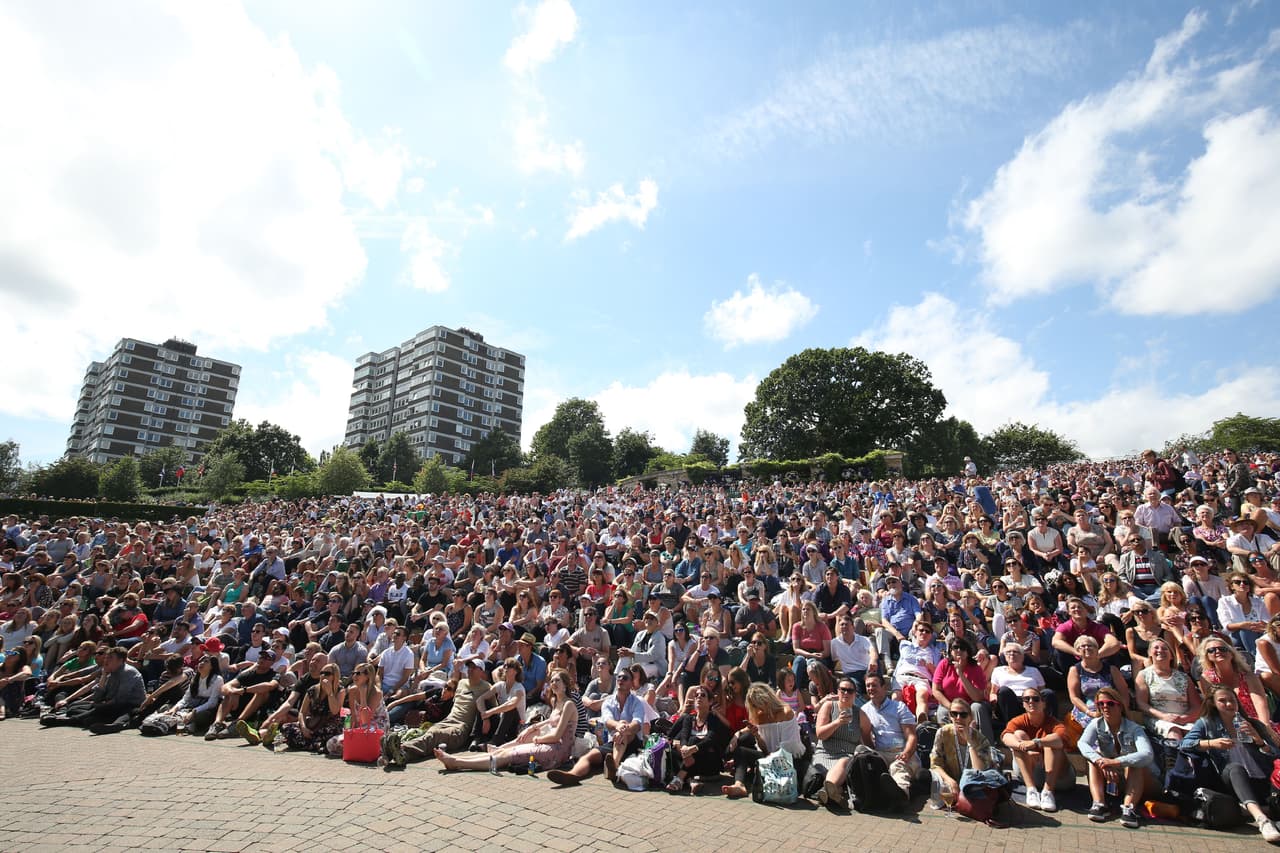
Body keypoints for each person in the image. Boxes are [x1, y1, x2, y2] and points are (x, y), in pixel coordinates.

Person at [1180, 685, 1280, 843]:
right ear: (1213, 703)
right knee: (1235, 768)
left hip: (1261, 780)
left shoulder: (1252, 723)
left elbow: (1275, 756)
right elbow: (1184, 744)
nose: (1228, 704)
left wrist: (1260, 741)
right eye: (1222, 701)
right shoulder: (1206, 723)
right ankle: (1262, 819)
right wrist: (1211, 743)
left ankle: (1249, 809)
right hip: (1232, 781)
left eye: (1232, 700)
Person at [435, 667, 578, 775]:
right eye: (552, 680)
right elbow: (551, 721)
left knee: (507, 754)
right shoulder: (555, 701)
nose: (553, 683)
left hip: (557, 751)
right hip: (550, 745)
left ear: (565, 684)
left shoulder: (568, 704)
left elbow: (557, 736)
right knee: (504, 751)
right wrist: (532, 728)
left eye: (557, 680)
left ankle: (457, 763)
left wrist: (536, 739)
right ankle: (456, 762)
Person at [546, 667, 649, 786]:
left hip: (633, 743)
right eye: (618, 677)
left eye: (625, 678)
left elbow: (637, 724)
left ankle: (613, 768)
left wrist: (624, 728)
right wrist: (618, 725)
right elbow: (607, 720)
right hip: (613, 742)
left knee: (624, 731)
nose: (621, 680)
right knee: (589, 756)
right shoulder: (608, 701)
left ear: (631, 683)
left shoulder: (637, 702)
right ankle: (572, 775)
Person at [383, 659, 490, 767]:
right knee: (430, 733)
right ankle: (400, 753)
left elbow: (494, 707)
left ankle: (401, 749)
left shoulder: (486, 687)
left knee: (435, 735)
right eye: (469, 667)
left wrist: (486, 719)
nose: (470, 670)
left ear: (482, 671)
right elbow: (451, 684)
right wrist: (395, 702)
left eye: (474, 667)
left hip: (461, 727)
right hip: (447, 721)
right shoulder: (461, 683)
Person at [1078, 686, 1159, 828]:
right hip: (1118, 778)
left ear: (1120, 706)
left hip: (1146, 781)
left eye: (1110, 703)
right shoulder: (1096, 724)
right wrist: (1100, 761)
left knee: (1135, 763)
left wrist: (1116, 762)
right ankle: (1099, 804)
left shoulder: (1135, 728)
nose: (1105, 707)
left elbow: (1146, 754)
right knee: (1093, 759)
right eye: (1100, 704)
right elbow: (1082, 743)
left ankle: (1129, 809)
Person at [930, 696, 1009, 827]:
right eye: (954, 714)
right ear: (949, 716)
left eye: (963, 714)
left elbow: (981, 770)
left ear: (970, 717)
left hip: (972, 784)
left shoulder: (980, 739)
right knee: (930, 776)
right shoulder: (943, 733)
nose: (958, 718)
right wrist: (950, 780)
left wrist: (970, 742)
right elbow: (935, 763)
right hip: (952, 782)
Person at [721, 682, 805, 799]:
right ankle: (739, 785)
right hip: (768, 756)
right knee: (740, 751)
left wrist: (769, 756)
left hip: (788, 759)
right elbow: (764, 748)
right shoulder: (759, 716)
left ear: (768, 699)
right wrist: (757, 736)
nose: (759, 709)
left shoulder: (786, 712)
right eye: (755, 706)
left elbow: (790, 746)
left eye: (760, 704)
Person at [38, 646, 145, 734]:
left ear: (121, 661)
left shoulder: (128, 673)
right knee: (74, 708)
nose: (106, 660)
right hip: (111, 704)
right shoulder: (108, 671)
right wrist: (103, 676)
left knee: (104, 711)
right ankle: (90, 720)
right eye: (106, 657)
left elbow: (121, 699)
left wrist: (101, 705)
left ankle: (114, 726)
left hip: (129, 705)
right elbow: (97, 696)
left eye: (110, 658)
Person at [859, 672, 919, 811]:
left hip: (902, 752)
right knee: (861, 753)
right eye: (868, 686)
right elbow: (866, 738)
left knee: (896, 767)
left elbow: (911, 736)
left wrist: (907, 753)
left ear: (884, 687)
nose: (870, 688)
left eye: (874, 685)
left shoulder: (899, 707)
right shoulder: (864, 710)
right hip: (881, 753)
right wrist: (873, 754)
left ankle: (902, 796)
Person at [1002, 687, 1069, 811]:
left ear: (1043, 704)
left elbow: (1062, 739)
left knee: (1051, 741)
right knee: (1018, 735)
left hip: (1058, 776)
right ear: (1023, 704)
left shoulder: (1054, 723)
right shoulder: (1018, 720)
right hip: (1031, 769)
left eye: (1035, 699)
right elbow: (1005, 737)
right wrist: (1024, 747)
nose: (1031, 702)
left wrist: (1036, 743)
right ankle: (1031, 790)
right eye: (1026, 699)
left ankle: (1048, 792)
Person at [666, 685, 731, 794]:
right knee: (674, 750)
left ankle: (680, 779)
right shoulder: (689, 718)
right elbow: (684, 737)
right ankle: (691, 781)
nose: (699, 697)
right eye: (696, 695)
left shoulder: (713, 719)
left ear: (710, 702)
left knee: (693, 741)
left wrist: (693, 748)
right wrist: (685, 748)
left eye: (703, 695)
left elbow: (710, 739)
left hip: (709, 763)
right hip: (691, 762)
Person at [811, 675, 862, 810]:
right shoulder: (829, 706)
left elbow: (866, 739)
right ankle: (833, 791)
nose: (846, 693)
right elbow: (820, 734)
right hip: (826, 753)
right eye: (843, 689)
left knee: (845, 761)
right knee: (842, 766)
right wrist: (837, 722)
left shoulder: (859, 713)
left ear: (855, 694)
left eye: (850, 691)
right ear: (838, 691)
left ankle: (828, 789)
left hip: (847, 755)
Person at [1135, 638, 1200, 741]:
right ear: (1150, 654)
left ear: (1171, 655)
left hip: (1184, 719)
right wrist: (1163, 716)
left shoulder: (1184, 677)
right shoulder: (1144, 675)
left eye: (1165, 648)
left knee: (1194, 734)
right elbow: (1141, 703)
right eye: (1156, 648)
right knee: (1174, 732)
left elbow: (1196, 706)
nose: (1160, 650)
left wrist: (1184, 718)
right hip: (1158, 718)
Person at [279, 663, 344, 752]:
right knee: (285, 727)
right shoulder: (313, 690)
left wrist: (330, 693)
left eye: (327, 674)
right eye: (322, 673)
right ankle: (316, 745)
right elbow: (302, 712)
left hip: (329, 724)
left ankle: (301, 743)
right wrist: (304, 728)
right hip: (313, 723)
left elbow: (335, 711)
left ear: (334, 676)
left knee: (328, 731)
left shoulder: (340, 690)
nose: (323, 676)